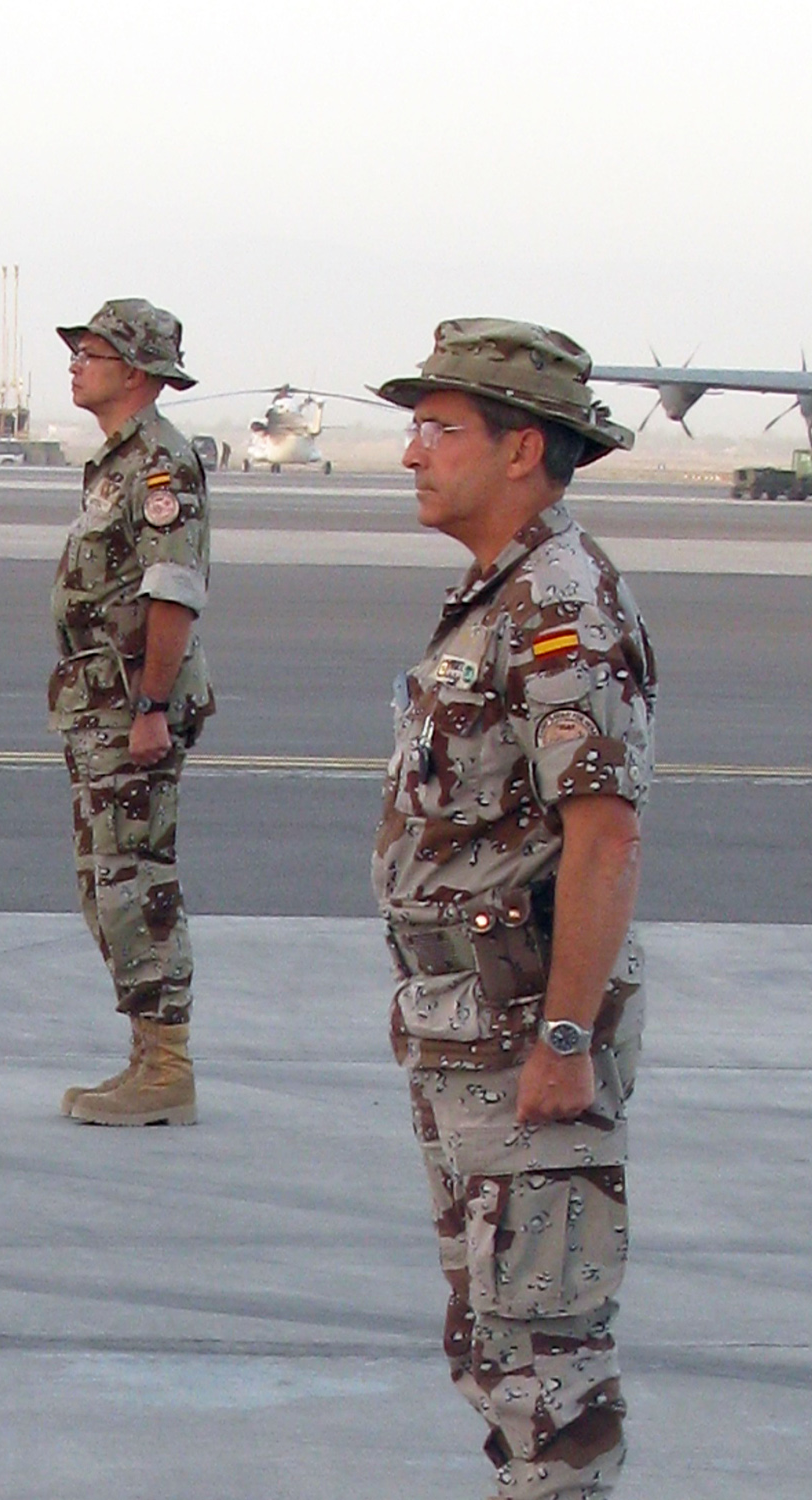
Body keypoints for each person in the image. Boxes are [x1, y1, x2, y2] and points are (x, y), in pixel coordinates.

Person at [374, 319, 655, 1499]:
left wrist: (564, 1037)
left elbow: (603, 835)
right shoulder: (495, 598)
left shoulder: (560, 610)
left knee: (544, 1353)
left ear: (521, 449)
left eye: (438, 429)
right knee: (494, 1341)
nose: (411, 454)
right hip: (465, 1023)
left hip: (525, 1028)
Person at [51, 299, 215, 1126]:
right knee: (106, 882)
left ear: (138, 370)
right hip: (101, 703)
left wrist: (150, 705)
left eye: (93, 352)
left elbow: (173, 592)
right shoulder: (120, 460)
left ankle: (167, 1069)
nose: (76, 364)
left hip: (131, 706)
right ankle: (148, 1057)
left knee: (134, 883)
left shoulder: (160, 467)